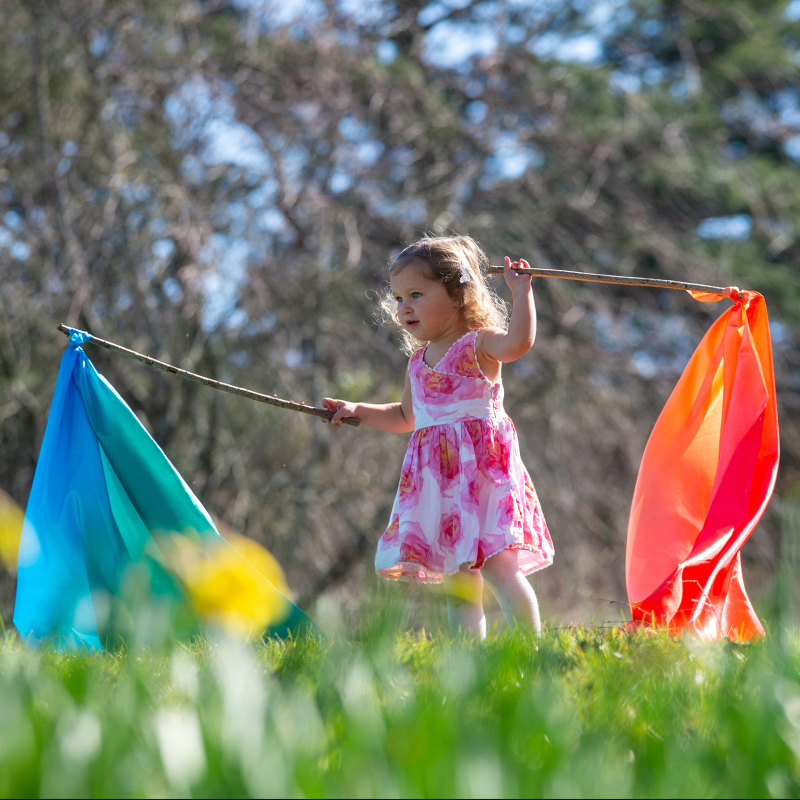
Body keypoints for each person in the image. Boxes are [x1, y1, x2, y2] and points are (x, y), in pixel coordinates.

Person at [322, 235, 553, 638]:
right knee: (460, 581)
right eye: (397, 298)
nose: (403, 307)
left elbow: (518, 344)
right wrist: (357, 410)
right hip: (441, 485)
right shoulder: (416, 362)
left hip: (483, 475)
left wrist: (521, 293)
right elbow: (406, 417)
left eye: (415, 294)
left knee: (500, 567)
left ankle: (530, 653)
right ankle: (469, 666)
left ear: (457, 293)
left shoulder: (478, 343)